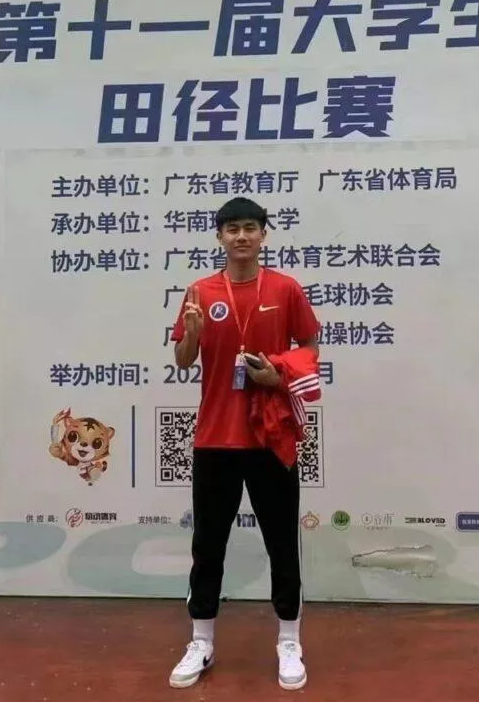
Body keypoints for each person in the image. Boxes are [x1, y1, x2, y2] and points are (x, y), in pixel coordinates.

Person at [168, 196, 321, 691]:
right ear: (219, 236)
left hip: (270, 436)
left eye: (250, 228)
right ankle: (201, 640)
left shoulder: (285, 288)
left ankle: (289, 641)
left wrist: (280, 375)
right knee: (207, 546)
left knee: (282, 544)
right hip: (215, 439)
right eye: (232, 228)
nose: (241, 236)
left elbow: (310, 345)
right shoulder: (199, 291)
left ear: (263, 235)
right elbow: (183, 360)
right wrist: (191, 334)